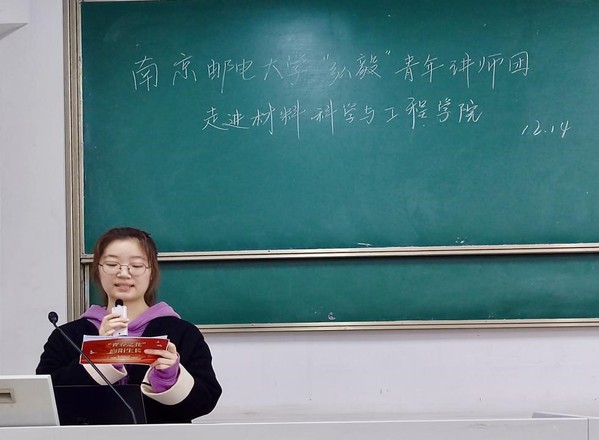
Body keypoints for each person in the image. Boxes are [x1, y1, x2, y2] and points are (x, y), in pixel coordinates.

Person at [36, 227, 222, 423]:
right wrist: (99, 356)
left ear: (152, 272)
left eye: (137, 265)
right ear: (98, 270)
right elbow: (45, 398)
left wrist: (171, 378)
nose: (124, 273)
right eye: (112, 264)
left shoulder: (182, 333)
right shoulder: (67, 336)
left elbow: (205, 401)